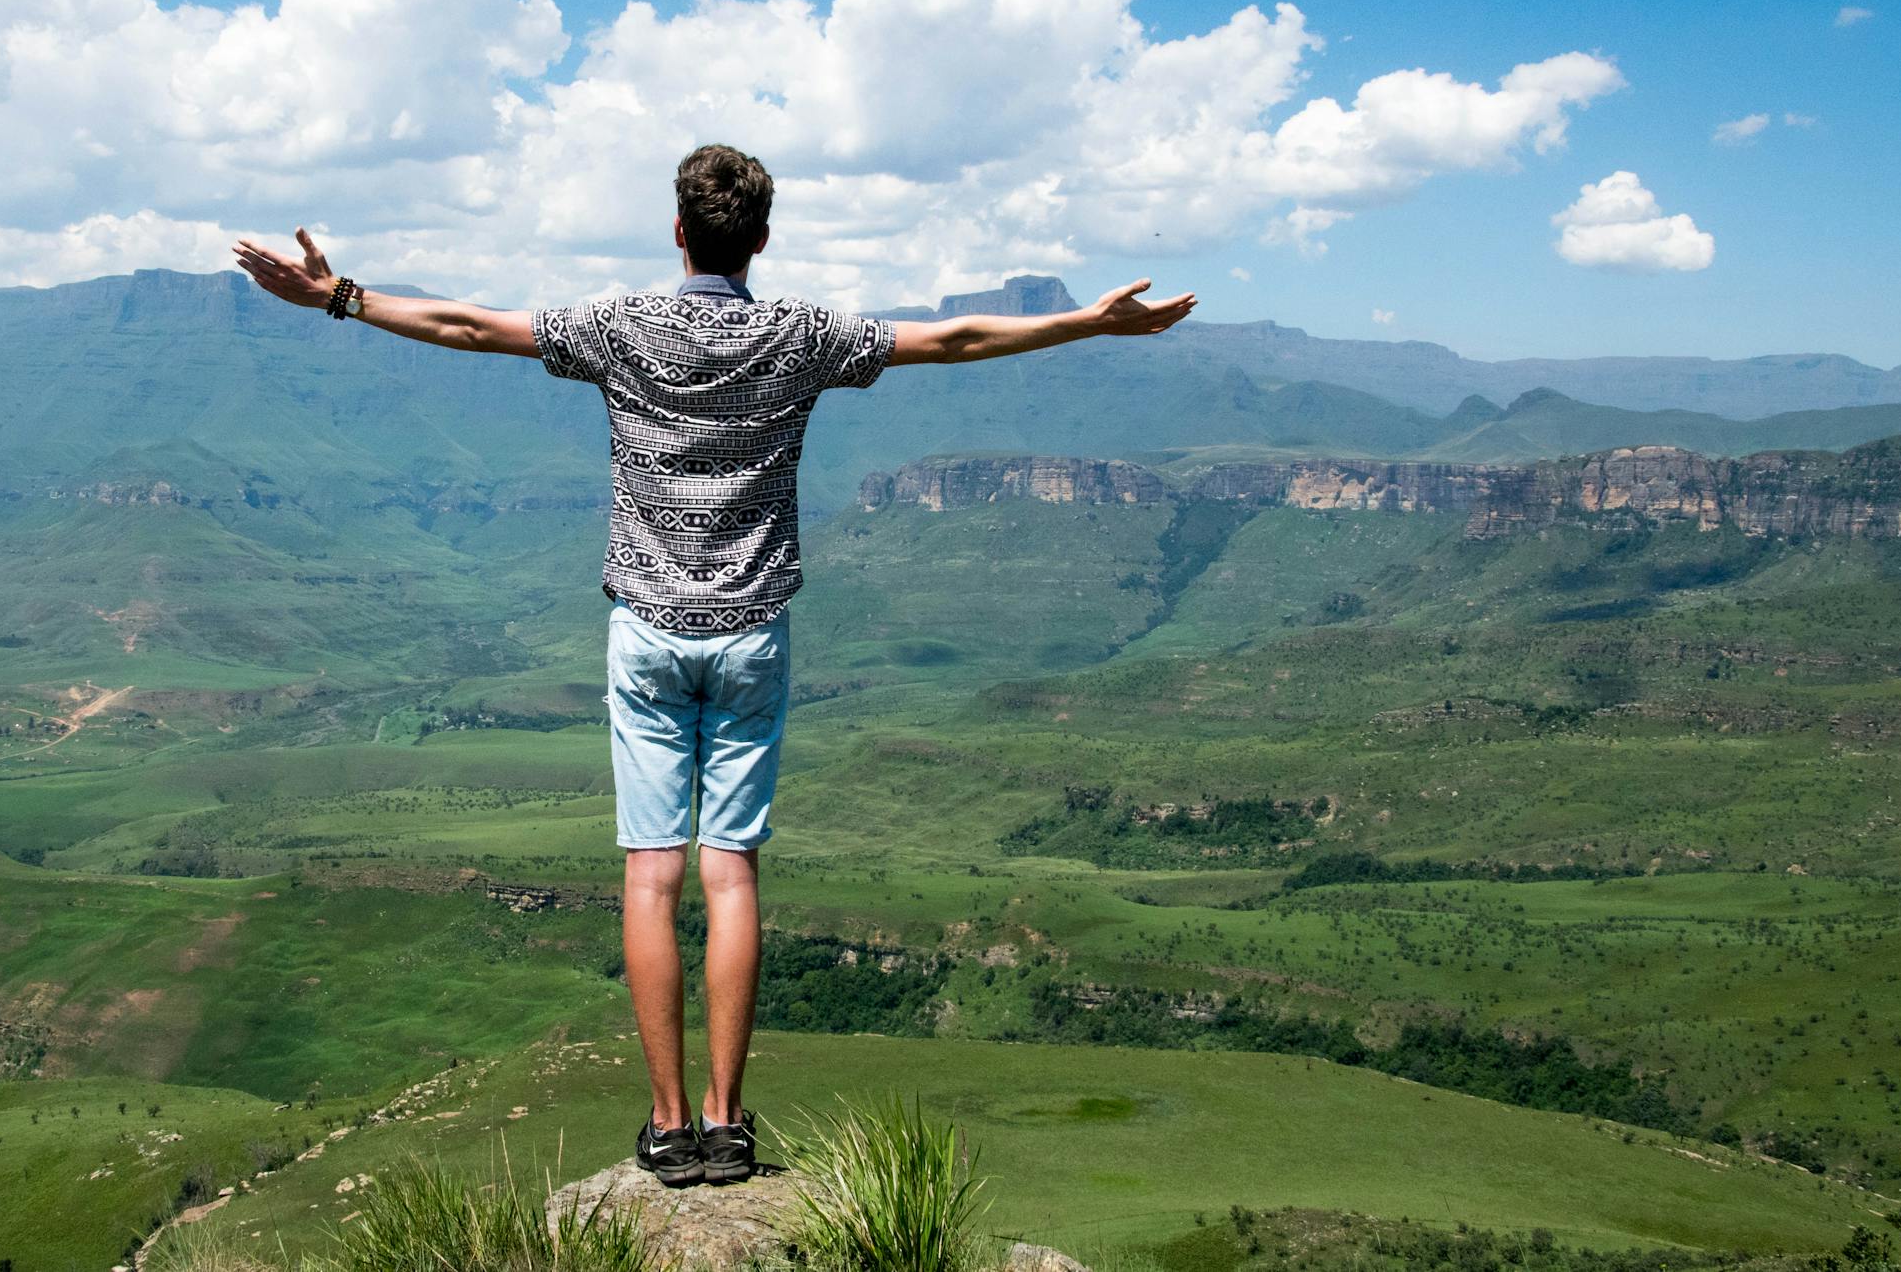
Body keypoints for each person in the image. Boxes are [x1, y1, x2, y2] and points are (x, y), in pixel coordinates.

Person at [232, 144, 1197, 1188]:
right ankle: (730, 1126)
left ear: (679, 231)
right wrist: (1091, 323)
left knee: (651, 875)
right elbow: (955, 337)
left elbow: (468, 326)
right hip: (751, 636)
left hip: (645, 633)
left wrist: (339, 297)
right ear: (762, 240)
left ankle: (665, 1126)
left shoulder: (620, 327)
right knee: (728, 870)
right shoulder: (802, 335)